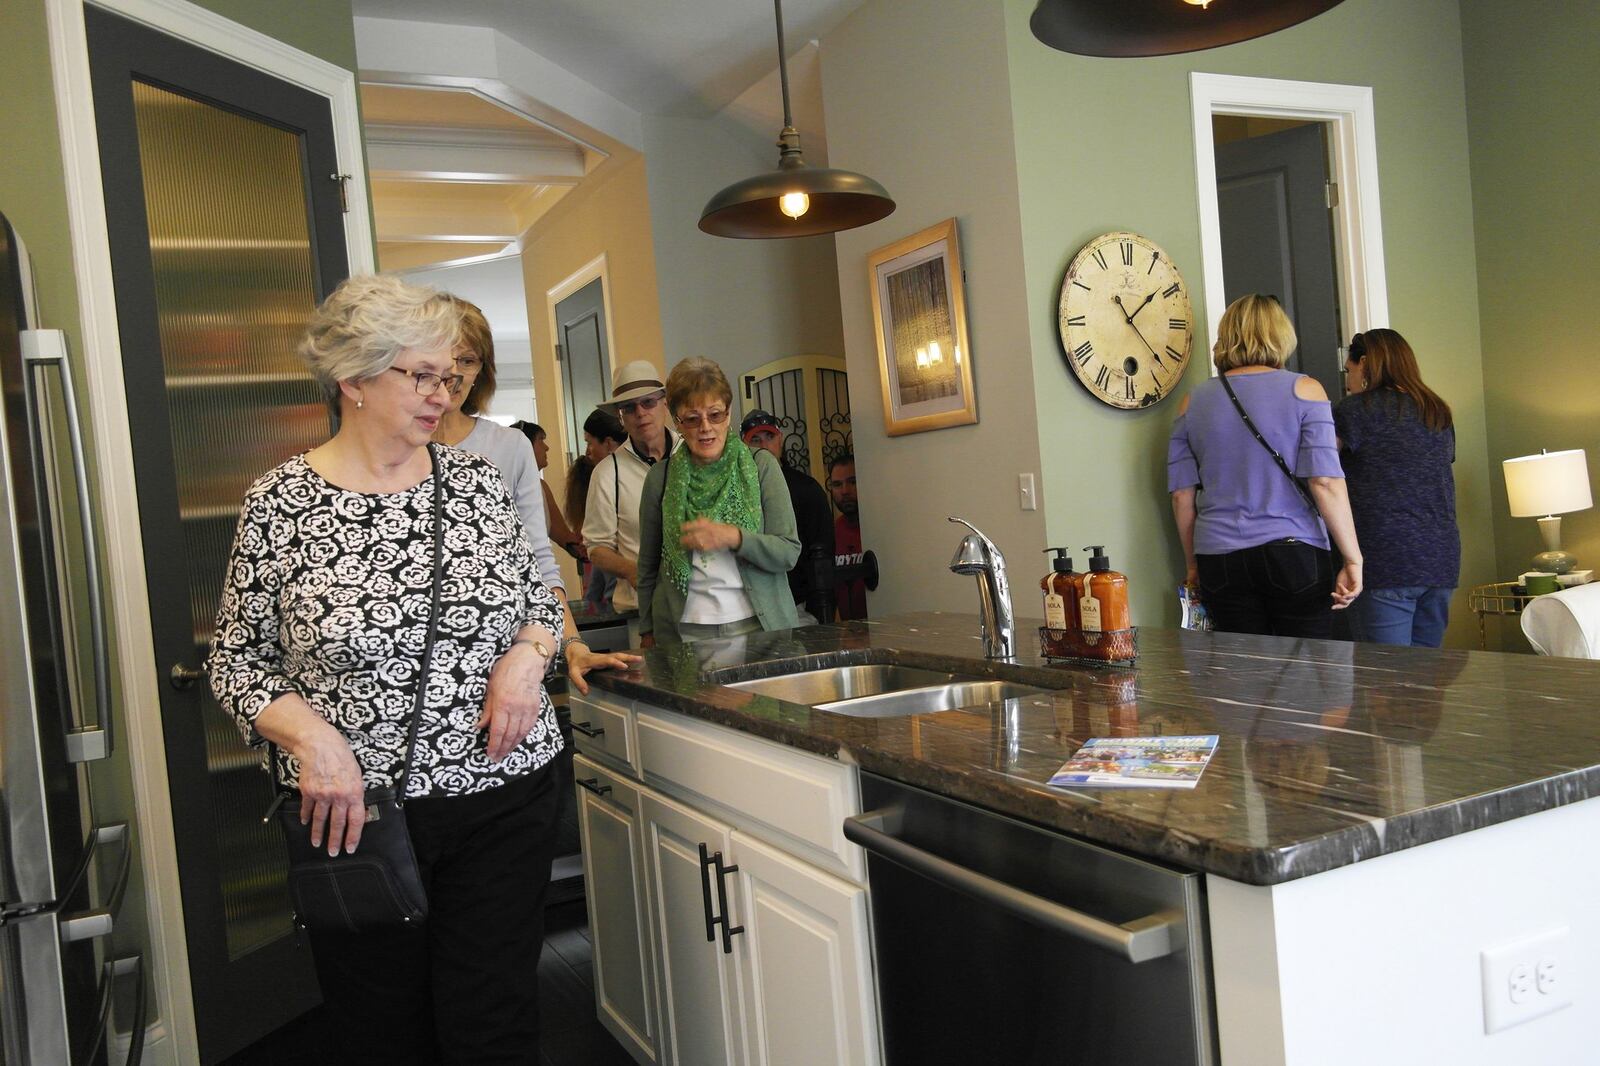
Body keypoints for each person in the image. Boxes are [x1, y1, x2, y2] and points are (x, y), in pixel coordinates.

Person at [207, 274, 564, 1062]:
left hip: (504, 797)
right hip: (356, 818)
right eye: (422, 375)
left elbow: (543, 593)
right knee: (382, 1031)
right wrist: (311, 740)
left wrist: (529, 657)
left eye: (451, 375)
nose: (445, 393)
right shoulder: (280, 504)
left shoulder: (474, 483)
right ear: (355, 379)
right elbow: (235, 659)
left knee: (494, 1021)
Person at [436, 296, 634, 692]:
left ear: (482, 372)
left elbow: (536, 558)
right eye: (444, 357)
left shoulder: (509, 447)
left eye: (468, 361)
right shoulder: (392, 451)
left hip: (506, 660)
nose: (453, 374)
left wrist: (572, 642)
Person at [1167, 293, 1363, 638]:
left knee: (1240, 675)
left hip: (1219, 556)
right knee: (1311, 673)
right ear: (1281, 335)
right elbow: (1326, 482)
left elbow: (1182, 496)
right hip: (1294, 552)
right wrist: (1353, 559)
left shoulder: (1192, 402)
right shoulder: (1306, 390)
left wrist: (1193, 565)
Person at [636, 358, 800, 646]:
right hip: (683, 634)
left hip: (761, 631)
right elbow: (648, 565)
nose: (706, 428)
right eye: (692, 419)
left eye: (715, 415)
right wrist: (647, 630)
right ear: (677, 422)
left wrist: (734, 537)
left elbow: (788, 551)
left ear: (729, 413)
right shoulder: (659, 479)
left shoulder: (761, 466)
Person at [1334, 328, 1459, 646]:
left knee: (1386, 682)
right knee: (1425, 677)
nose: (1347, 380)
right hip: (1440, 559)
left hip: (1385, 558)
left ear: (1364, 363)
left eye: (1348, 370)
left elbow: (1318, 468)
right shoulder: (1437, 412)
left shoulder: (1354, 411)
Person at [583, 359, 676, 626]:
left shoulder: (692, 455)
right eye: (629, 407)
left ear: (664, 405)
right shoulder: (607, 472)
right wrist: (635, 572)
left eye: (648, 402)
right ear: (620, 416)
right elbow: (596, 548)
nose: (640, 412)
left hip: (701, 608)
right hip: (641, 610)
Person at [739, 409, 835, 623]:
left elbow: (822, 551)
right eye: (755, 439)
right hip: (752, 605)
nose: (764, 446)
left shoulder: (807, 489)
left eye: (769, 437)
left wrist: (821, 609)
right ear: (743, 446)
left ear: (780, 439)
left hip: (799, 605)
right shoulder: (737, 490)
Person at [513, 420, 584, 562]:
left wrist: (591, 548)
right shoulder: (504, 484)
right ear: (525, 445)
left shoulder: (541, 486)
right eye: (541, 440)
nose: (547, 448)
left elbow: (562, 534)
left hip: (539, 563)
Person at [828, 453, 868, 620]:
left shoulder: (879, 531)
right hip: (850, 635)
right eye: (837, 484)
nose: (845, 491)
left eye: (852, 482)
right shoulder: (831, 533)